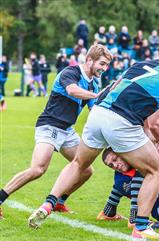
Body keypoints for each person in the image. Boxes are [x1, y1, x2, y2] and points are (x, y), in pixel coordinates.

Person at [27, 43, 159, 241]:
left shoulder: (142, 64)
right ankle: (140, 226)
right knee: (155, 170)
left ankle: (49, 203)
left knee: (78, 164)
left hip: (98, 113)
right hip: (121, 122)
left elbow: (151, 121)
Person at [0, 44, 113, 219]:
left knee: (86, 170)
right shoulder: (70, 72)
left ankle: (59, 201)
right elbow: (72, 90)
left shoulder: (94, 85)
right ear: (90, 60)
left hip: (67, 131)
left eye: (106, 65)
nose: (104, 69)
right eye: (102, 64)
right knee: (38, 169)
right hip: (50, 126)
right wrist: (96, 96)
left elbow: (94, 112)